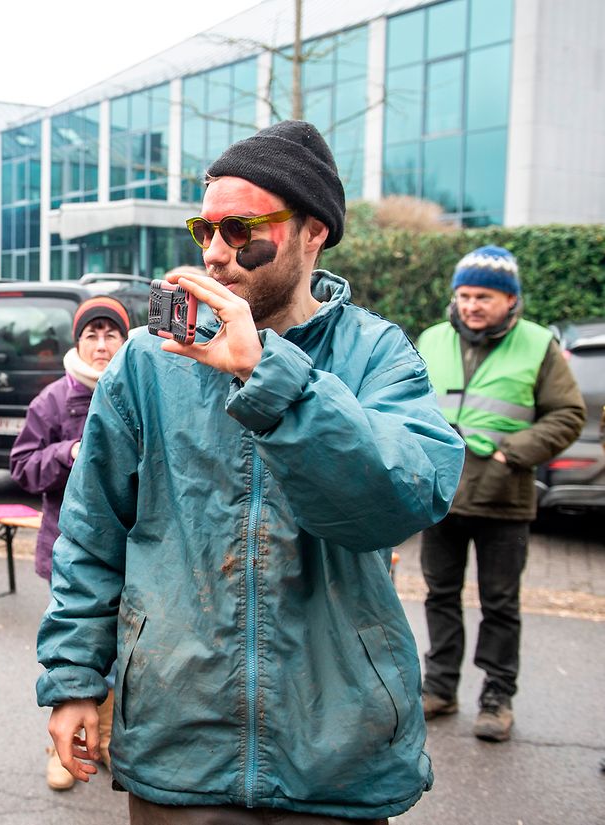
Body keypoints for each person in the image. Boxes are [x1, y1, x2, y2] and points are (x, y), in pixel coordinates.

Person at [37, 120, 465, 823]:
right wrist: (75, 678)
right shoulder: (149, 361)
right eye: (203, 230)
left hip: (335, 751)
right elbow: (91, 535)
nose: (215, 253)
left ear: (313, 231)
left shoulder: (375, 354)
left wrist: (268, 375)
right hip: (180, 745)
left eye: (240, 229)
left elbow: (400, 500)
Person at [416, 245, 585, 743]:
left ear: (510, 300)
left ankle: (496, 696)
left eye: (484, 296)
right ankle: (441, 688)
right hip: (442, 493)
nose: (472, 305)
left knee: (501, 603)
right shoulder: (432, 338)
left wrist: (514, 451)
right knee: (439, 597)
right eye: (464, 295)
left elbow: (568, 414)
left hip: (503, 497)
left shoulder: (538, 345)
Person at [10, 295, 130, 792]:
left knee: (123, 656)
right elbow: (22, 468)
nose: (101, 347)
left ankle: (103, 742)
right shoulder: (53, 401)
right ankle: (62, 750)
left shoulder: (138, 391)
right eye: (91, 336)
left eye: (112, 336)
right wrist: (70, 451)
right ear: (77, 342)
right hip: (71, 551)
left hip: (132, 553)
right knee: (76, 652)